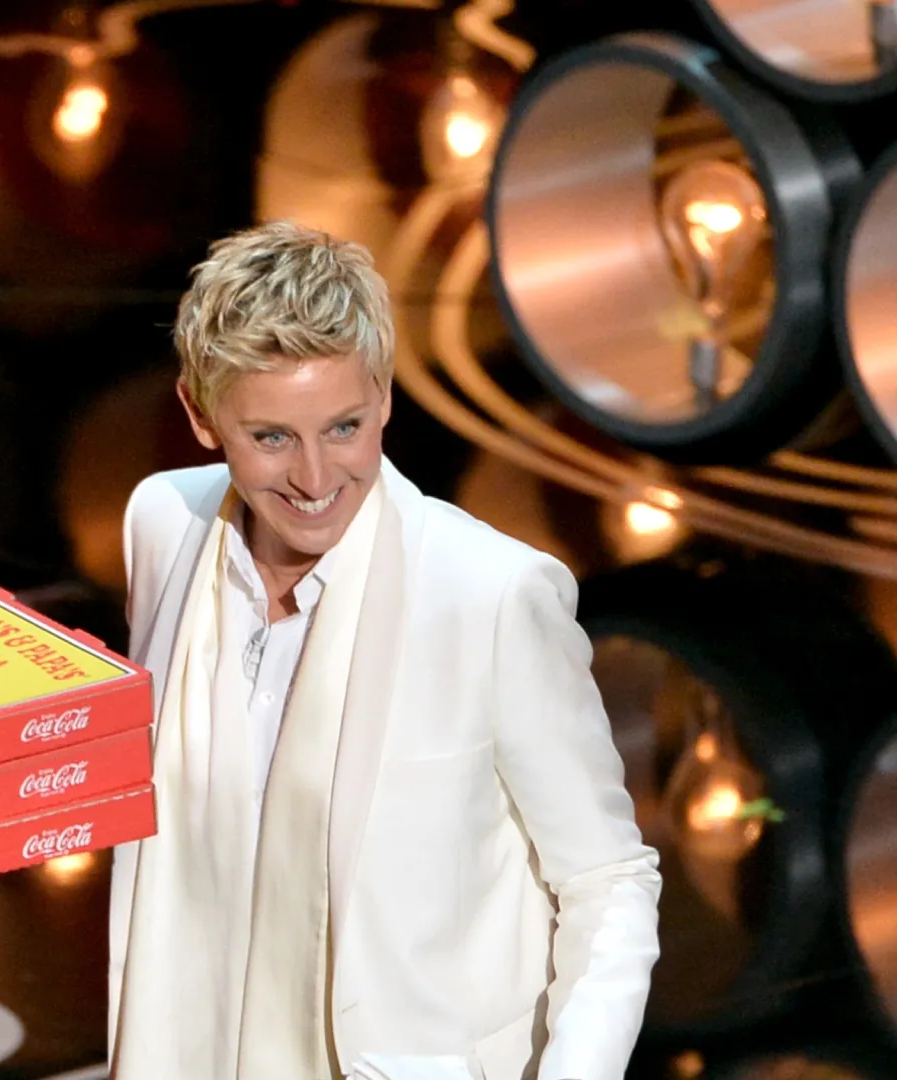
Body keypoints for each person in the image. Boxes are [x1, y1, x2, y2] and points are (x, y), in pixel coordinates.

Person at [106, 221, 660, 1080]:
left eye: (345, 426)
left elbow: (609, 880)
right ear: (200, 414)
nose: (316, 478)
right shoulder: (161, 522)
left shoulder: (493, 594)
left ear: (386, 397)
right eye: (272, 438)